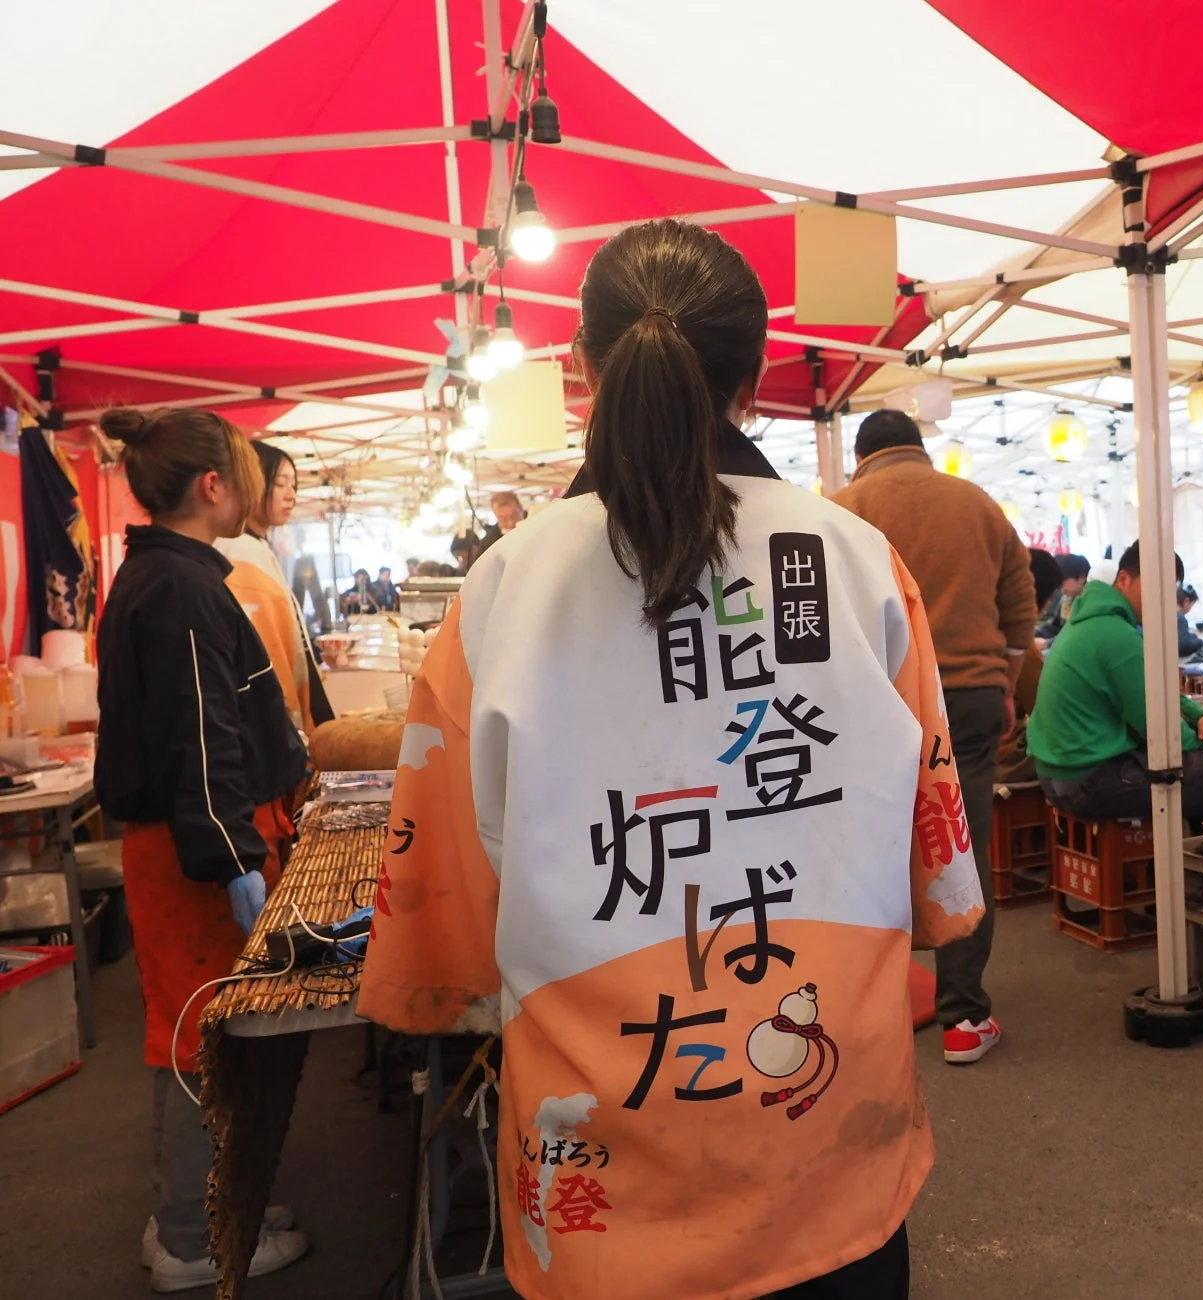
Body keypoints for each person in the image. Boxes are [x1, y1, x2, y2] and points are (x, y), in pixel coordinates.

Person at [358, 219, 981, 1300]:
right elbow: (934, 842)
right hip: (827, 1130)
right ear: (756, 374)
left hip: (605, 1156)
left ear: (582, 370)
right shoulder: (850, 560)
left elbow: (441, 903)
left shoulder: (504, 587)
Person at [94, 406, 312, 1290]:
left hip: (193, 839)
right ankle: (194, 1238)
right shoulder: (180, 587)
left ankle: (217, 1203)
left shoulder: (169, 575)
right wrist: (230, 858)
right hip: (195, 853)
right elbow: (200, 736)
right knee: (199, 1037)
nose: (262, 487)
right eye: (248, 474)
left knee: (209, 1030)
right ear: (213, 486)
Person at [831, 406, 1037, 1066]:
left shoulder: (840, 509)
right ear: (920, 451)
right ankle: (963, 1018)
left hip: (876, 702)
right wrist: (1005, 685)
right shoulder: (978, 504)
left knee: (867, 852)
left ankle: (868, 1013)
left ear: (861, 458)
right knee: (961, 845)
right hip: (969, 697)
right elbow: (1021, 604)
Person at [1028, 542, 1203, 827]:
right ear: (1123, 579)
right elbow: (1157, 728)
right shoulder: (1117, 635)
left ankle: (1187, 863)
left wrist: (1198, 714)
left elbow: (1149, 686)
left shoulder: (1088, 621)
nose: (1161, 598)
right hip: (1085, 782)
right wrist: (1201, 743)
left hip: (1056, 774)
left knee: (1202, 773)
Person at [217, 440, 327, 735]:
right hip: (270, 722)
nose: (291, 495)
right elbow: (267, 647)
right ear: (252, 481)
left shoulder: (257, 547)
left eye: (294, 485)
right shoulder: (240, 550)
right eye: (280, 483)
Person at [997, 551, 1060, 784]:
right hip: (1002, 756)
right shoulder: (1020, 648)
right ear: (1049, 597)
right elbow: (1045, 710)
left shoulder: (985, 628)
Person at [1034, 553, 1090, 642]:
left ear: (1081, 578)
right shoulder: (1066, 599)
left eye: (1064, 582)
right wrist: (1035, 632)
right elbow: (1055, 627)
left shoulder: (1089, 603)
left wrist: (1047, 643)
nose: (1062, 589)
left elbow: (1078, 635)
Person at [1176, 584, 1203, 661]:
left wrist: (1193, 636)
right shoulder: (1181, 619)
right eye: (1192, 604)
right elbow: (1183, 645)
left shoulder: (1170, 615)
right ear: (1186, 601)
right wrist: (1201, 642)